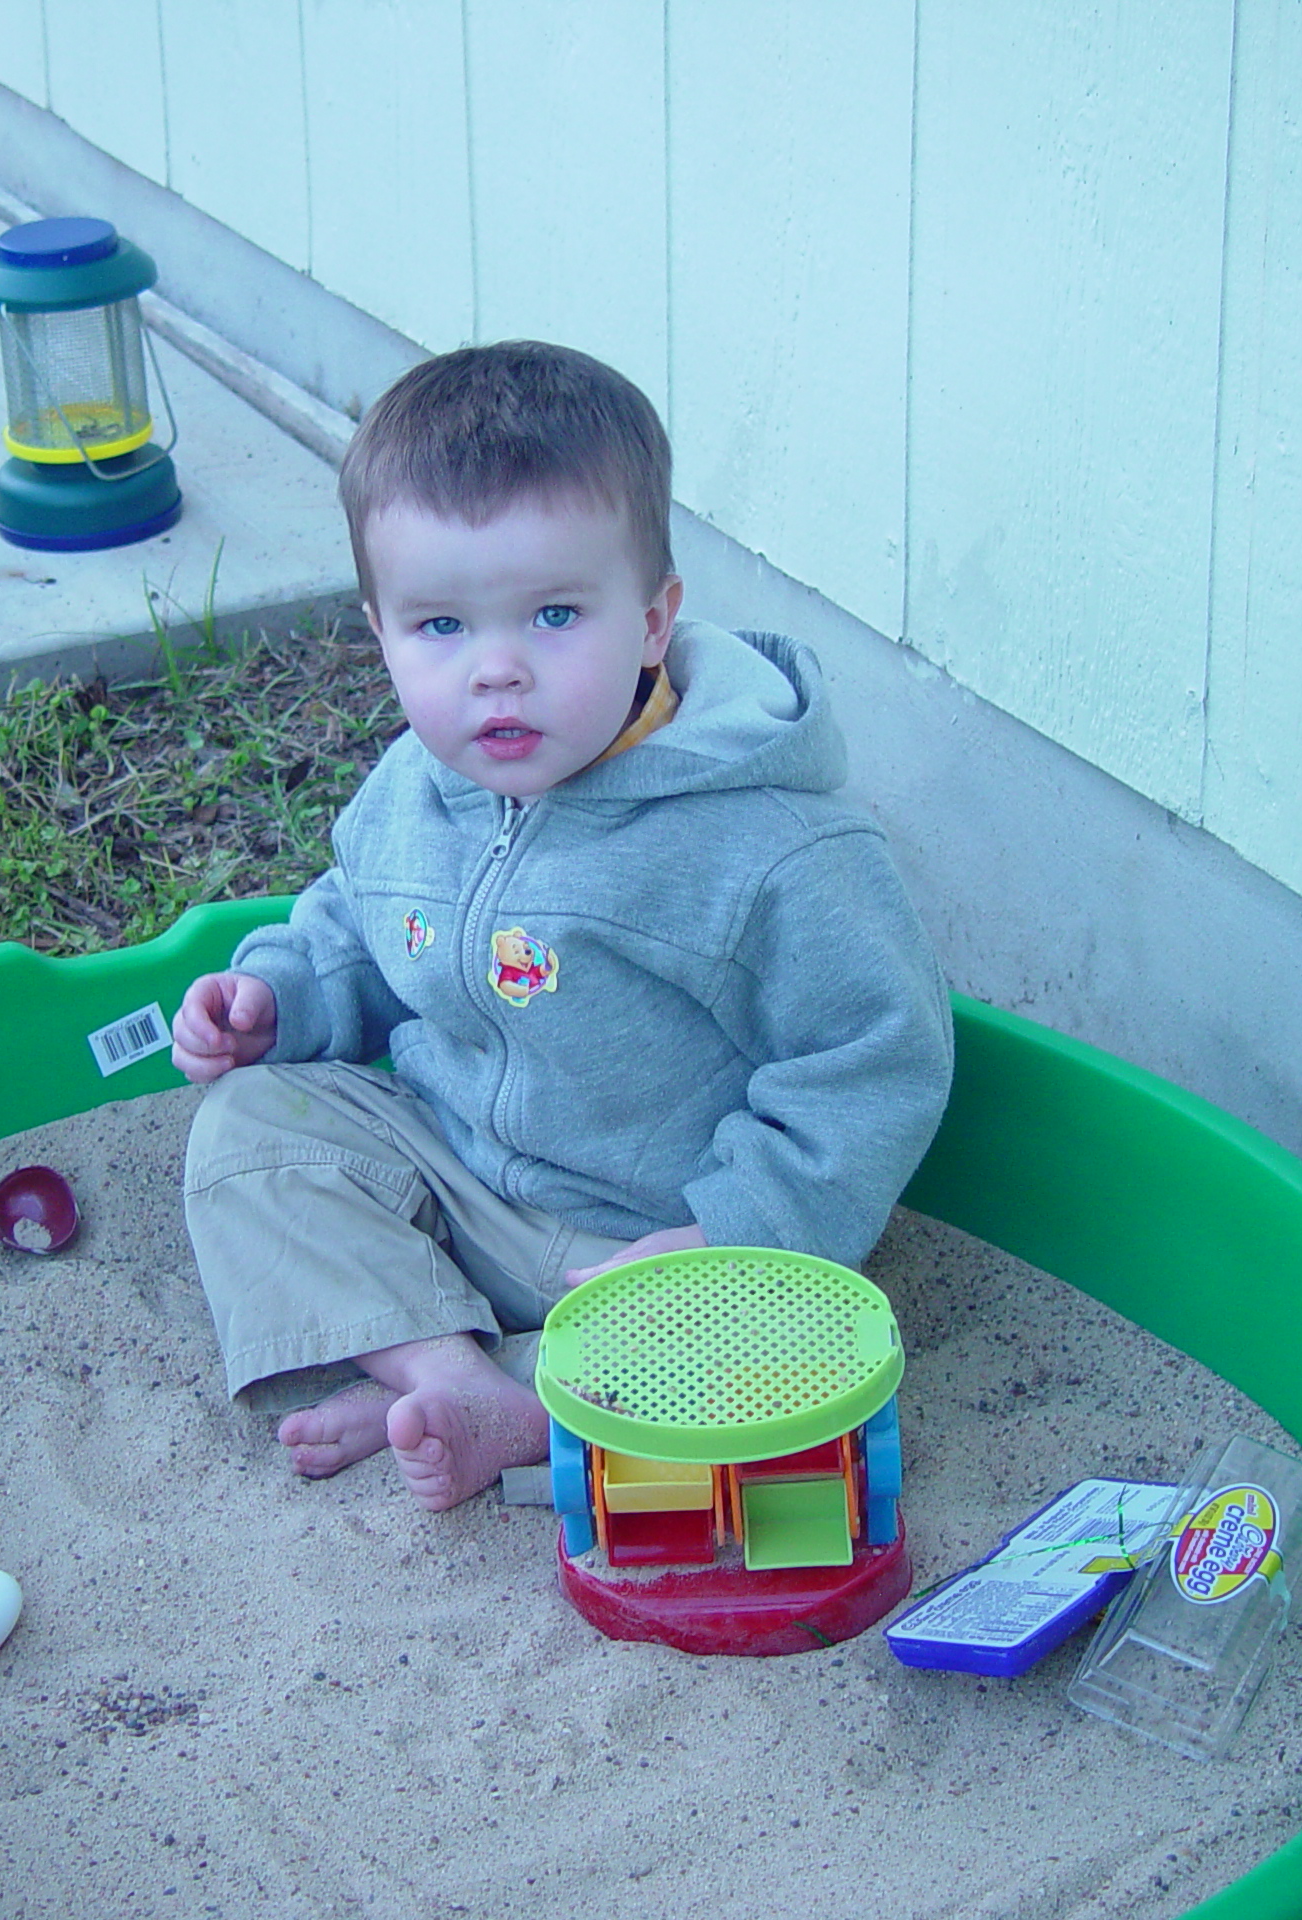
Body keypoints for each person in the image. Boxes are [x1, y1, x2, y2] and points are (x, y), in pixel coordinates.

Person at [174, 341, 953, 1514]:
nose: (496, 672)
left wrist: (725, 1232)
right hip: (455, 1178)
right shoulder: (415, 784)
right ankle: (451, 1374)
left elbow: (873, 1063)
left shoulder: (768, 844)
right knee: (244, 1130)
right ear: (377, 628)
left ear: (650, 622)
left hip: (665, 1244)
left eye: (551, 615)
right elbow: (357, 918)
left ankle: (514, 1395)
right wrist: (280, 995)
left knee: (791, 1358)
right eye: (440, 626)